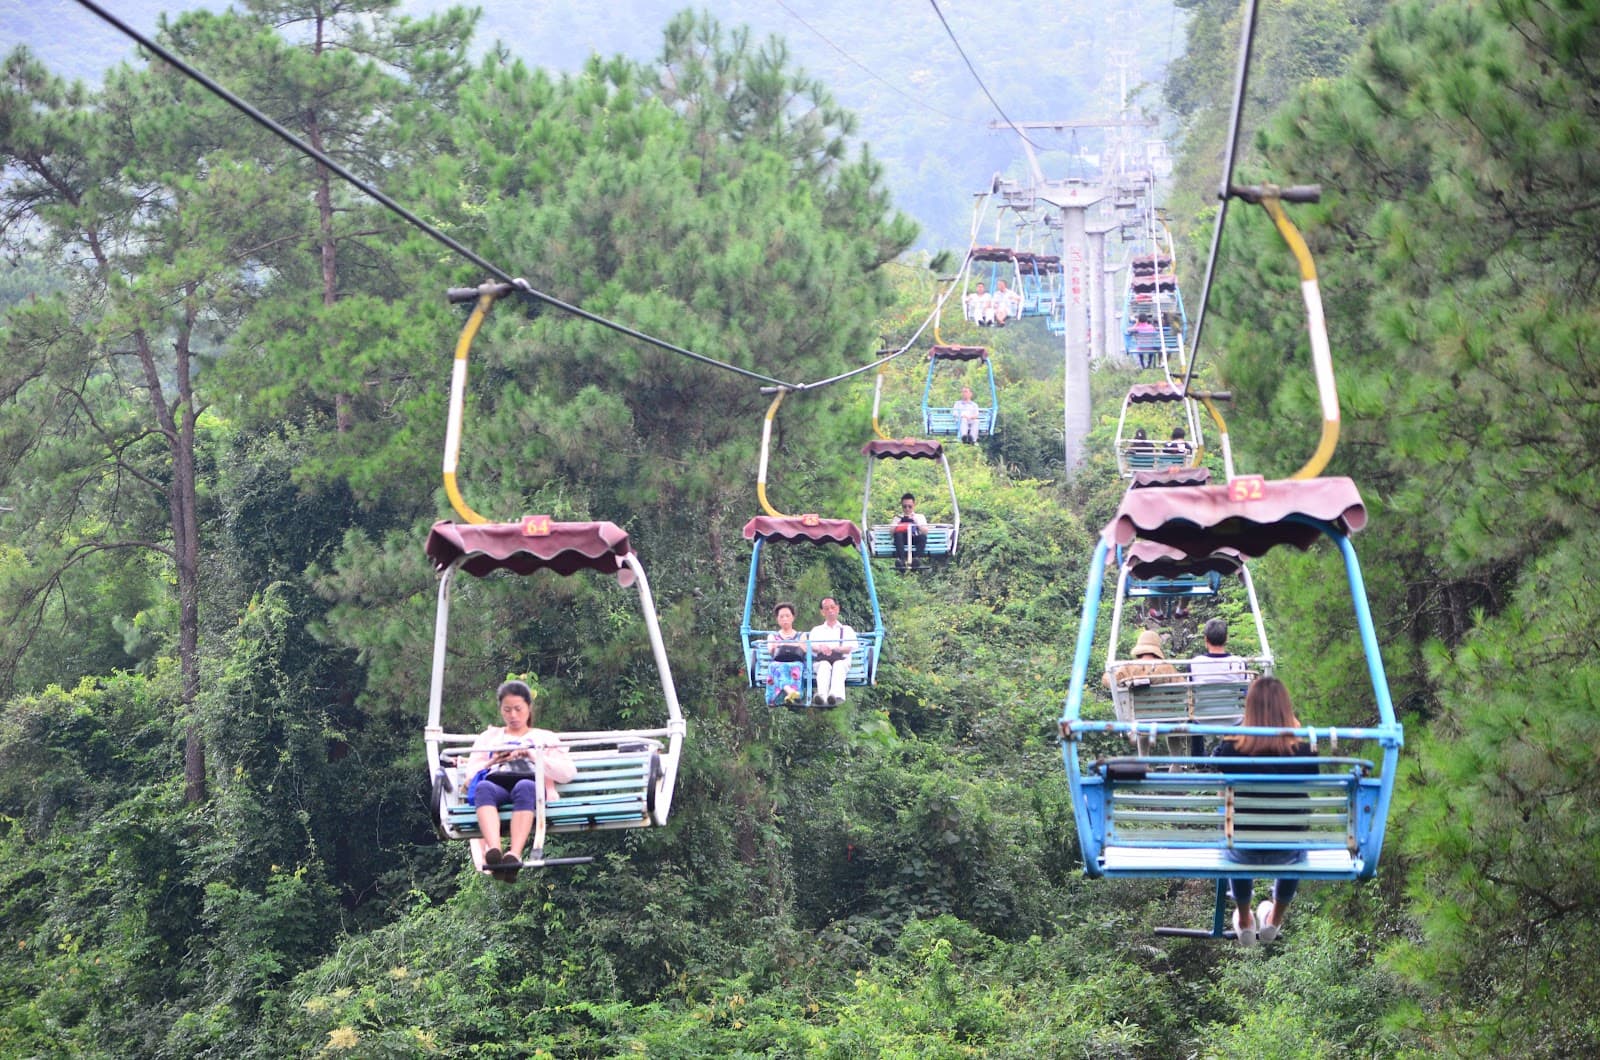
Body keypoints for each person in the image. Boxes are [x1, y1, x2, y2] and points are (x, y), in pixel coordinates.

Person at [1211, 676, 1319, 945]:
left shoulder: (1231, 747)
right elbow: (1311, 780)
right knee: (1293, 838)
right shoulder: (1303, 749)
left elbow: (1216, 767)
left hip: (1242, 848)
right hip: (1287, 851)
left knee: (1236, 836)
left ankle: (1244, 920)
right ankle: (1274, 919)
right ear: (1286, 708)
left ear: (1249, 708)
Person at [463, 680, 577, 881]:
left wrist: (532, 755)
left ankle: (514, 853)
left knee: (525, 787)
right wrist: (494, 760)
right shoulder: (489, 738)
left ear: (528, 708)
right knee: (483, 788)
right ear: (501, 710)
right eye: (507, 710)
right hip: (498, 782)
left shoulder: (544, 738)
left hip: (529, 784)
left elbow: (567, 773)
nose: (513, 716)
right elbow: (471, 774)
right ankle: (494, 850)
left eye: (518, 709)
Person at [807, 597, 857, 706]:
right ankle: (822, 696)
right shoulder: (817, 630)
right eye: (826, 609)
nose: (830, 611)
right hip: (822, 660)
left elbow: (849, 648)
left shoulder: (847, 629)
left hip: (841, 660)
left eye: (832, 607)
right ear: (822, 612)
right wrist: (821, 648)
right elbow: (811, 646)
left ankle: (835, 696)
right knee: (824, 665)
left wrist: (835, 648)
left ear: (837, 608)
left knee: (838, 665)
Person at [1102, 629, 1179, 690]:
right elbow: (1182, 687)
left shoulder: (1128, 667)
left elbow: (1108, 681)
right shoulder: (1168, 667)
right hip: (1163, 705)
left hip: (1133, 706)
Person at [764, 602, 807, 706]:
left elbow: (804, 649)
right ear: (777, 619)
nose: (785, 619)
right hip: (778, 663)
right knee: (775, 666)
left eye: (787, 616)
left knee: (794, 667)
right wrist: (791, 644)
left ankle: (788, 692)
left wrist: (785, 643)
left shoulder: (801, 635)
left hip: (795, 663)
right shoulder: (773, 636)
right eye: (781, 617)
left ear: (793, 617)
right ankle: (790, 691)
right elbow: (771, 649)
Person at [893, 492, 928, 571]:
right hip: (902, 540)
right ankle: (901, 560)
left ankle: (916, 559)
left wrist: (916, 521)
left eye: (910, 506)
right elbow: (891, 532)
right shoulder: (898, 517)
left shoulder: (920, 517)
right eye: (904, 506)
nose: (907, 509)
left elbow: (925, 531)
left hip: (914, 538)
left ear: (914, 505)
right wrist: (898, 522)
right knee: (898, 535)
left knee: (923, 537)